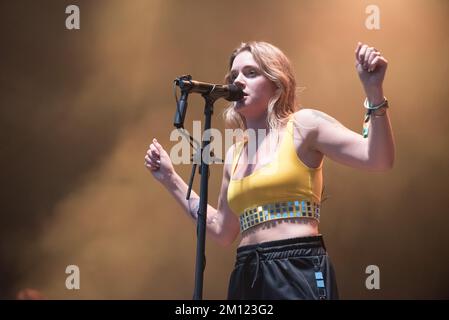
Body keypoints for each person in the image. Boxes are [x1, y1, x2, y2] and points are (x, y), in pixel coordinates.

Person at [144, 41, 395, 300]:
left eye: (250, 73)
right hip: (246, 272)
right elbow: (222, 230)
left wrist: (373, 91)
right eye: (233, 76)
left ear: (277, 82)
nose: (238, 81)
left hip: (297, 265)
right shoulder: (234, 154)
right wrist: (171, 179)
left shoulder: (303, 126)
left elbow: (378, 158)